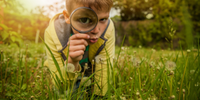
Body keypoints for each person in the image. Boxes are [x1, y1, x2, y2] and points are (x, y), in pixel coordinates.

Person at [44, 0, 115, 98]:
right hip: (65, 71)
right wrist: (71, 62)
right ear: (68, 17)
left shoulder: (108, 29)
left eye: (103, 19)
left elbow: (104, 72)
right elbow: (60, 89)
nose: (96, 30)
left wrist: (99, 96)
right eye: (84, 20)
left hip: (90, 68)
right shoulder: (54, 33)